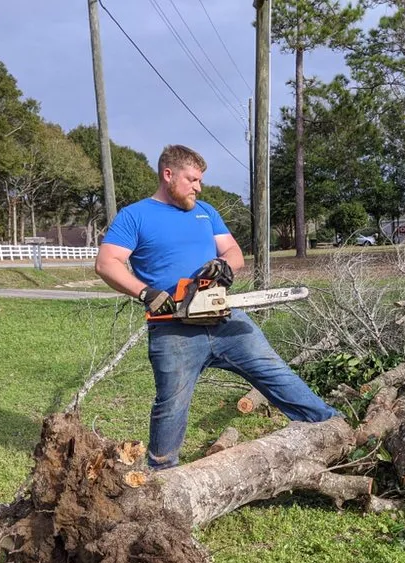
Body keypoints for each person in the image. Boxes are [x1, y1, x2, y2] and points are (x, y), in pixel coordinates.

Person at [95, 144, 337, 469]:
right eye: (192, 179)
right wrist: (147, 293)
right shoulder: (135, 215)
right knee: (172, 404)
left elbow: (233, 251)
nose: (198, 187)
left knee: (275, 372)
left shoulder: (206, 212)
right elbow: (107, 263)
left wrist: (224, 265)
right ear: (168, 175)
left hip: (225, 318)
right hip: (173, 329)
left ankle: (330, 427)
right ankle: (162, 473)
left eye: (200, 181)